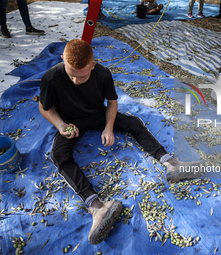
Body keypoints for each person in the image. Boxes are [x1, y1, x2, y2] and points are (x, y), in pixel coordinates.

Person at [39, 39, 202, 245]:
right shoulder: (51, 78)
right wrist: (61, 125)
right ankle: (97, 207)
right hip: (70, 122)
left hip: (97, 115)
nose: (76, 81)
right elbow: (45, 108)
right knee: (58, 155)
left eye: (82, 76)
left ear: (93, 65)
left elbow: (112, 102)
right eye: (71, 75)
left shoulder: (103, 74)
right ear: (62, 60)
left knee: (133, 123)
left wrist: (108, 127)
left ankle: (171, 164)